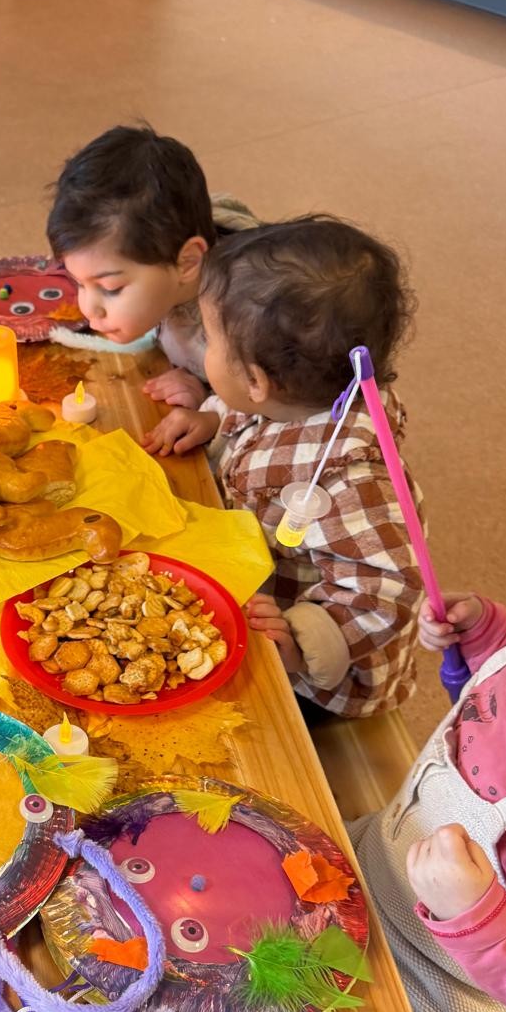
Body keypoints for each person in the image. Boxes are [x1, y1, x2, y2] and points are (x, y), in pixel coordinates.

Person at [180, 534, 506, 1012]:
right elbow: (481, 709)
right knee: (239, 861)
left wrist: (474, 912)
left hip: (435, 990)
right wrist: (482, 638)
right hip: (378, 856)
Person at [146, 216, 423, 719]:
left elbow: (385, 591)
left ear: (255, 379)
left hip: (318, 674)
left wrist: (301, 642)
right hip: (257, 569)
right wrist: (211, 421)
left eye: (210, 341)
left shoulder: (351, 480)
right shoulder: (290, 395)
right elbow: (247, 410)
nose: (203, 352)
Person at [45, 123, 257, 440]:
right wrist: (198, 382)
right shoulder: (164, 245)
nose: (89, 310)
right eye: (78, 283)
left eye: (111, 288)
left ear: (187, 262)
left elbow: (293, 404)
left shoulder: (248, 320)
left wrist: (214, 412)